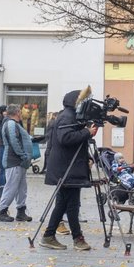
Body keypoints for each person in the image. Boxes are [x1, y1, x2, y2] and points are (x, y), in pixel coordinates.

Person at [39, 90, 96, 251]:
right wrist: (87, 132)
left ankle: (53, 236)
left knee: (67, 205)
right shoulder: (67, 116)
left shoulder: (70, 116)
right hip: (66, 169)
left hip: (69, 169)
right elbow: (66, 138)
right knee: (69, 205)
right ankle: (73, 238)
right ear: (76, 102)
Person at [0, 105, 33, 223]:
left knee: (22, 187)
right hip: (14, 161)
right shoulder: (11, 124)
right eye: (20, 112)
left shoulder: (13, 124)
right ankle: (2, 212)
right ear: (17, 112)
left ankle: (21, 211)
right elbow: (14, 141)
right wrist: (23, 155)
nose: (22, 114)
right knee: (11, 187)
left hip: (19, 162)